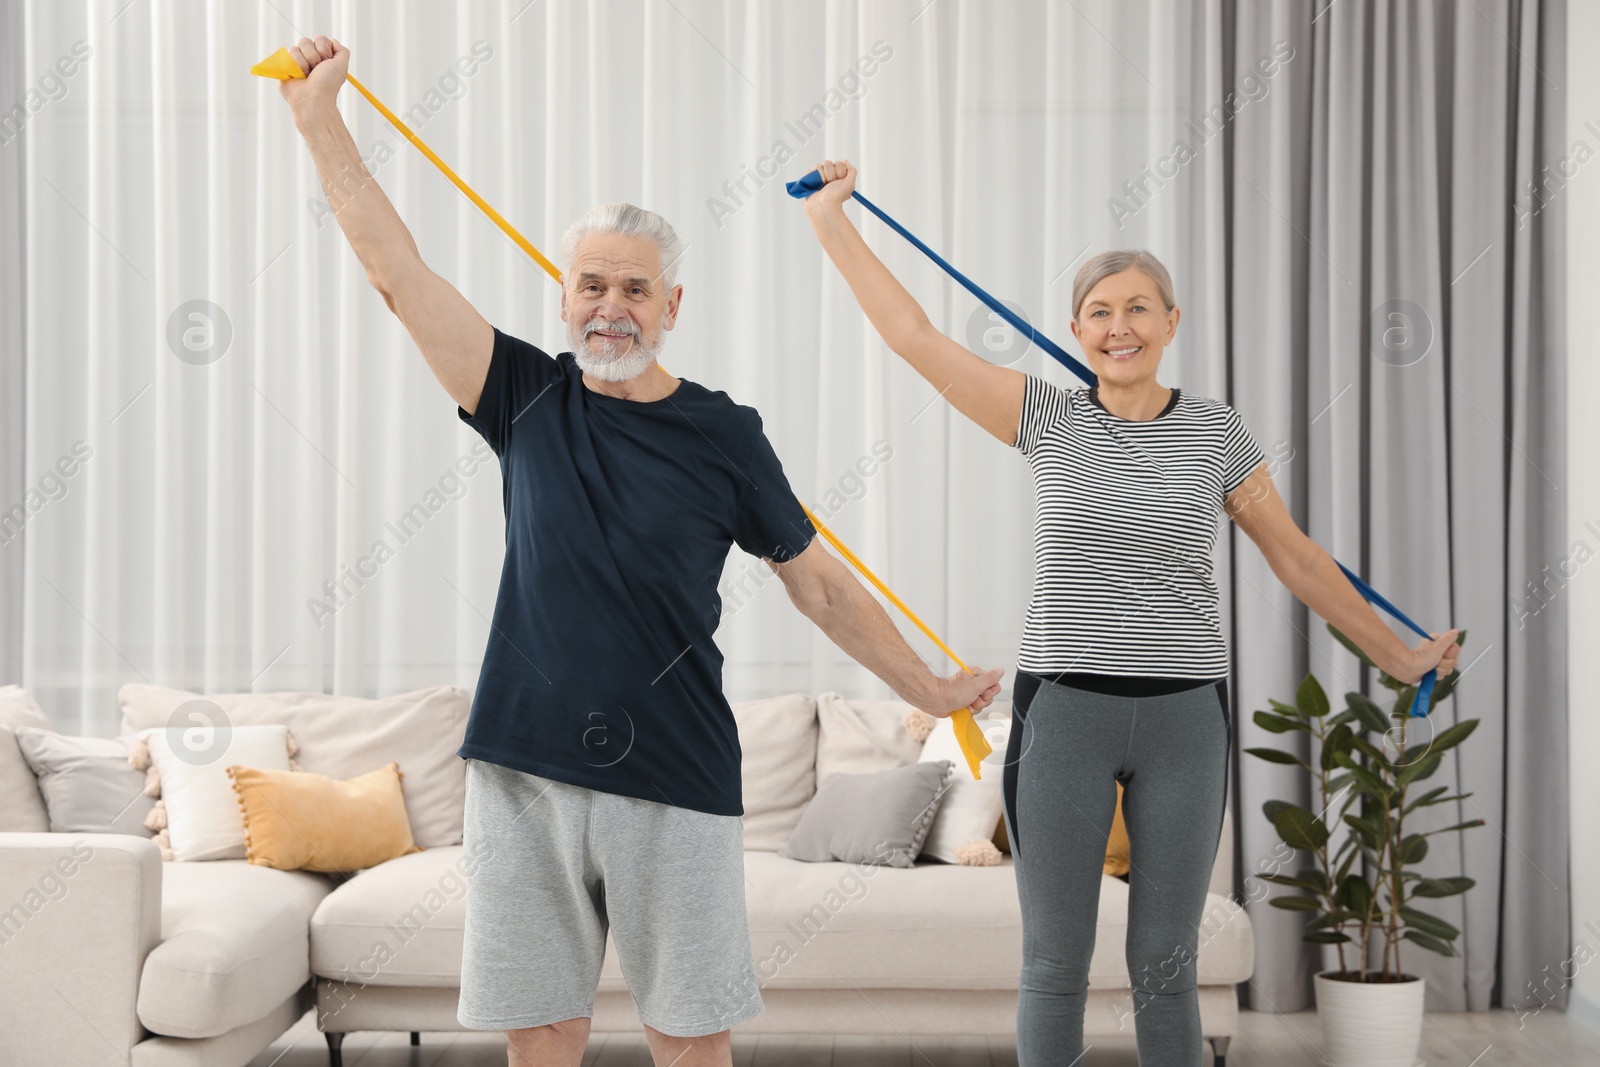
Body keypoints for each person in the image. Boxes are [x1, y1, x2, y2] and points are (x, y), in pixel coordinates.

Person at [277, 39, 1002, 1067]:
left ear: (670, 307)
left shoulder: (724, 433)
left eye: (633, 289)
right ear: (563, 298)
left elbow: (823, 588)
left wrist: (927, 690)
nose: (608, 307)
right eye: (590, 286)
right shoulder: (522, 394)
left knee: (689, 1035)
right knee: (543, 1031)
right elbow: (397, 275)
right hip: (523, 763)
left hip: (676, 767)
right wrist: (319, 121)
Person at [799, 158, 1461, 1065]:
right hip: (1065, 709)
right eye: (1102, 310)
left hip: (1185, 715)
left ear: (1171, 322)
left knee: (1163, 963)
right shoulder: (1047, 416)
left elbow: (1297, 558)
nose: (1121, 325)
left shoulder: (1217, 431)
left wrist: (1400, 656)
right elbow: (913, 337)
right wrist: (832, 220)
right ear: (1077, 329)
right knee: (1055, 961)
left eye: (1140, 306)